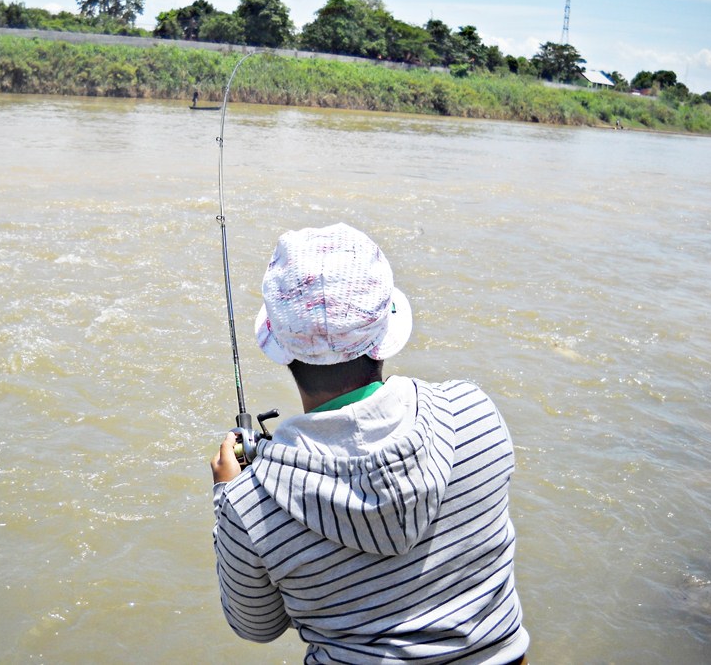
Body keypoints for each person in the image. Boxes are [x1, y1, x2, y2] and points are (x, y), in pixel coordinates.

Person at [210, 223, 529, 664]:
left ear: (280, 347)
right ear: (384, 331)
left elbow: (256, 627)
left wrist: (231, 494)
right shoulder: (474, 411)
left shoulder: (249, 504)